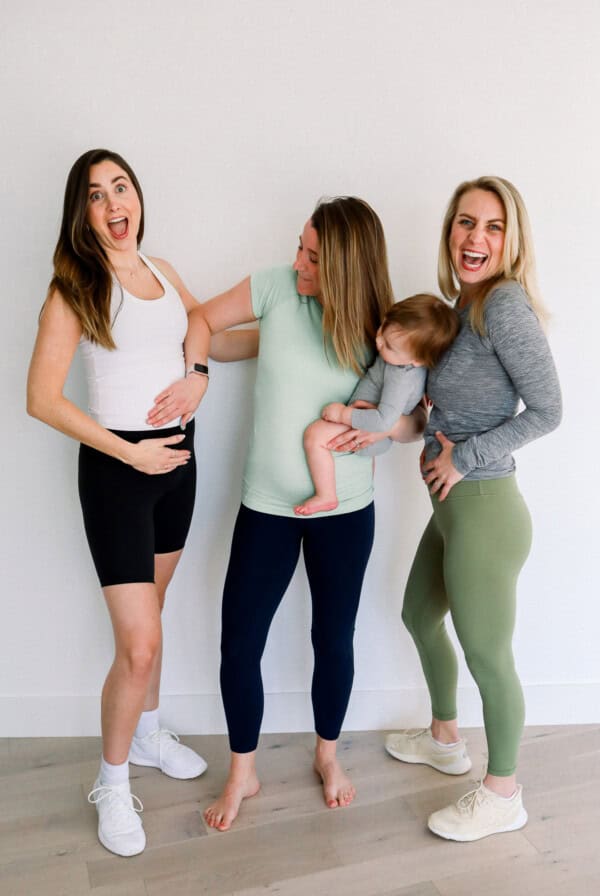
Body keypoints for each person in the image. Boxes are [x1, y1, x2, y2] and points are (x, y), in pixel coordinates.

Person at [148, 196, 428, 831]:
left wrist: (381, 430)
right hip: (267, 507)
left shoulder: (383, 328)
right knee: (239, 643)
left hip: (346, 510)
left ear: (349, 268)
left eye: (314, 256)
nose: (299, 261)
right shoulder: (275, 286)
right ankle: (242, 768)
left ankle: (327, 755)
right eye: (300, 245)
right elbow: (200, 321)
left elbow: (413, 420)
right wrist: (198, 372)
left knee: (333, 639)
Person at [26, 149, 209, 857]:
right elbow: (41, 399)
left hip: (179, 466)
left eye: (120, 187)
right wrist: (128, 452)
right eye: (96, 195)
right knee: (139, 645)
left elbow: (201, 325)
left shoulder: (162, 272)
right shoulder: (75, 286)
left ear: (136, 196)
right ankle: (110, 779)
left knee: (153, 626)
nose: (112, 204)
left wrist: (198, 376)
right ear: (84, 214)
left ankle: (152, 732)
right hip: (118, 472)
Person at [384, 176, 562, 842]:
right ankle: (444, 736)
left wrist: (463, 458)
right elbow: (433, 417)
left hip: (485, 509)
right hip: (452, 508)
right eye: (465, 223)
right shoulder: (457, 309)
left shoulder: (504, 305)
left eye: (491, 227)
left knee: (488, 654)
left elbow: (549, 411)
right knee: (418, 615)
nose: (474, 238)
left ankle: (503, 792)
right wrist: (386, 430)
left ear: (510, 241)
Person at [294, 294, 459, 515]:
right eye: (383, 328)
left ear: (417, 360)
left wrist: (343, 414)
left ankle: (326, 494)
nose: (379, 341)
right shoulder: (404, 358)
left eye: (389, 346)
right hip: (366, 422)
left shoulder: (401, 376)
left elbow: (384, 421)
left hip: (368, 427)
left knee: (314, 436)